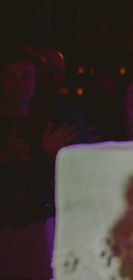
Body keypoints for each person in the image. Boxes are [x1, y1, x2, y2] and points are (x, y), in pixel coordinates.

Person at [0, 43, 76, 279]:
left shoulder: (47, 119)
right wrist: (4, 156)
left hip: (41, 226)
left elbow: (63, 178)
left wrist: (54, 156)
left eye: (26, 76)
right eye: (10, 76)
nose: (19, 84)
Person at [38, 47, 92, 144]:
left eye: (59, 72)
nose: (54, 78)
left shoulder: (73, 113)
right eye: (47, 71)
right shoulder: (20, 108)